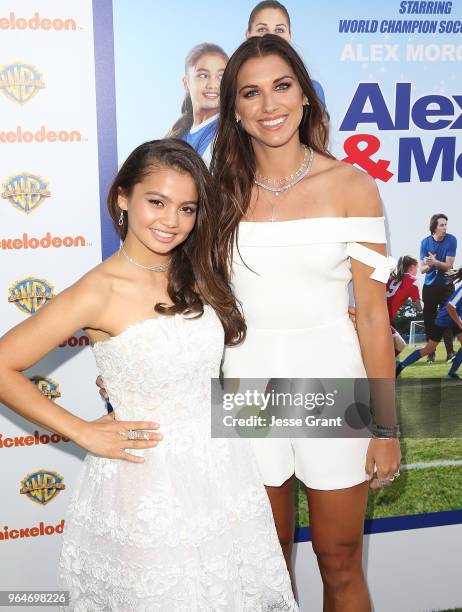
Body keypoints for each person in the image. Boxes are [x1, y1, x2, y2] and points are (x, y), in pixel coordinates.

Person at [0, 140, 297, 611]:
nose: (171, 221)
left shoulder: (197, 271)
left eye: (186, 208)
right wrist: (82, 432)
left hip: (221, 471)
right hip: (146, 483)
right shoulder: (98, 289)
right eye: (156, 202)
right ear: (123, 197)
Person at [210, 35, 401, 611]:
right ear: (236, 112)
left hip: (334, 388)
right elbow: (189, 298)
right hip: (248, 391)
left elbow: (371, 314)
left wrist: (387, 428)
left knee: (339, 560)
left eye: (282, 86)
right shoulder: (215, 194)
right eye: (252, 93)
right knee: (265, 567)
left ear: (305, 97)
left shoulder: (353, 186)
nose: (270, 105)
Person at [245, 1, 327, 108]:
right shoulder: (230, 88)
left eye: (279, 30)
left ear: (289, 36)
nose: (271, 36)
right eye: (262, 29)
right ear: (248, 35)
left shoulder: (313, 89)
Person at [167, 43, 228, 166]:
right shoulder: (177, 137)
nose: (213, 84)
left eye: (221, 76)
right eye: (203, 75)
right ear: (186, 83)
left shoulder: (229, 133)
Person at [396, 268, 462, 380]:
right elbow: (450, 307)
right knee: (429, 349)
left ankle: (452, 373)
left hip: (455, 319)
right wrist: (460, 323)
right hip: (444, 318)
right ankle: (400, 365)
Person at [420, 214, 457, 363]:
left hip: (447, 286)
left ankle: (450, 353)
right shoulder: (425, 243)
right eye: (441, 225)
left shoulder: (451, 240)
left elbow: (449, 266)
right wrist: (429, 265)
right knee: (429, 320)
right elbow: (422, 269)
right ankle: (431, 353)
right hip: (429, 288)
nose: (445, 228)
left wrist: (435, 262)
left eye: (445, 225)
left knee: (447, 318)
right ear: (434, 227)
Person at [385, 256, 422, 357]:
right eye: (416, 268)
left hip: (379, 316)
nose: (417, 271)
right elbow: (419, 308)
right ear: (411, 267)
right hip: (383, 320)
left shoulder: (391, 278)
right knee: (400, 346)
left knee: (397, 346)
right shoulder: (412, 280)